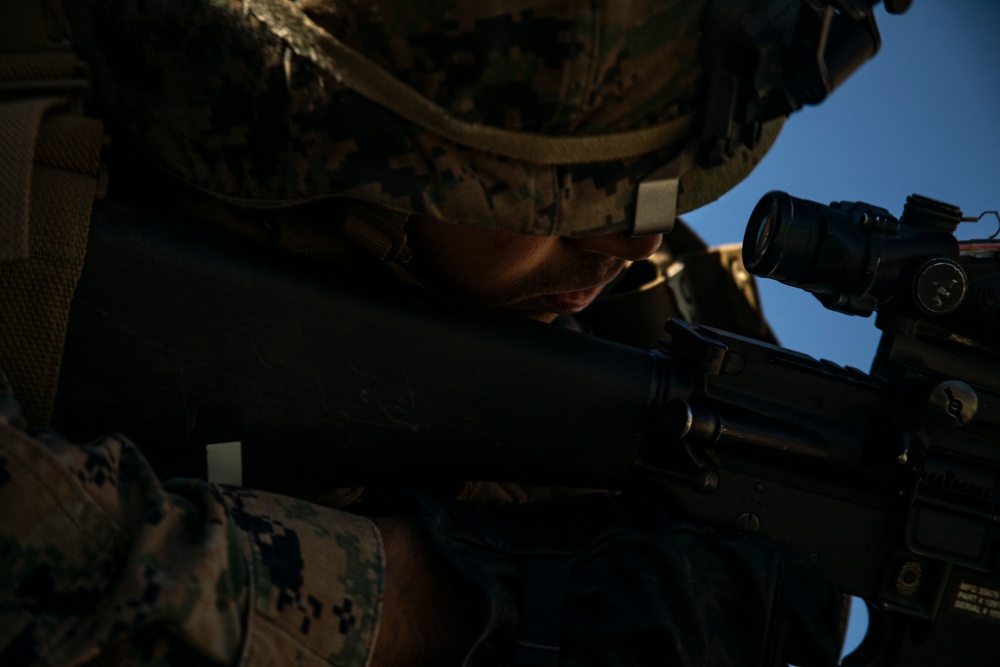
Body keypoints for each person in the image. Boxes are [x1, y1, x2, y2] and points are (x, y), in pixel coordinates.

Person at [0, 0, 884, 664]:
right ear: (352, 141)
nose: (631, 244)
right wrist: (455, 600)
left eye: (668, 193)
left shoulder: (652, 324)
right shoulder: (38, 144)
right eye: (571, 205)